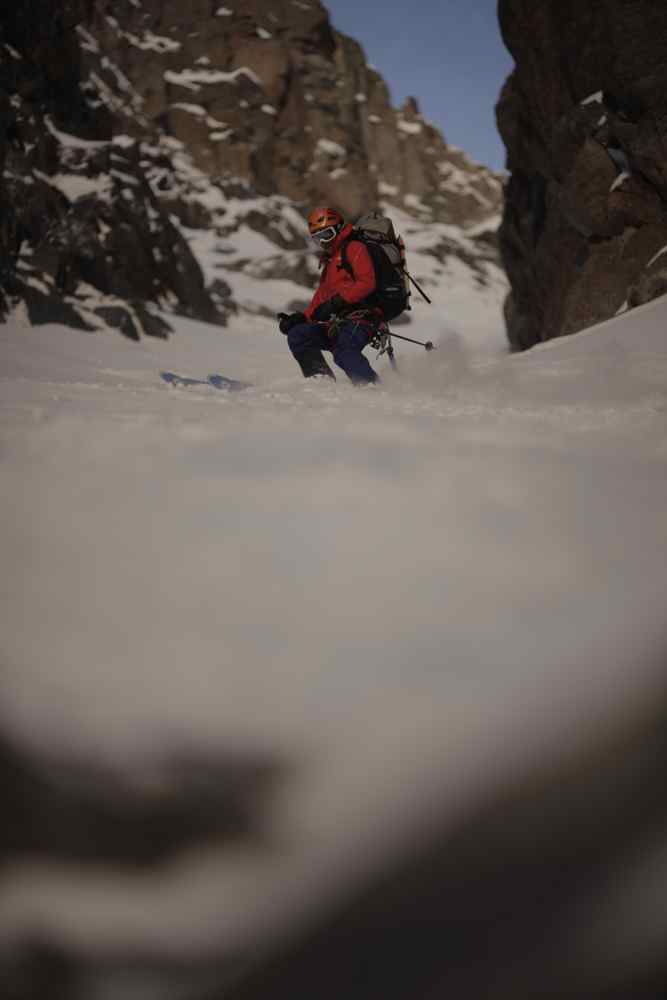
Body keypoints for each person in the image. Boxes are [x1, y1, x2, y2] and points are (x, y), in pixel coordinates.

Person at [277, 207, 381, 384]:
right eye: (318, 238)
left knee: (343, 351)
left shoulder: (354, 248)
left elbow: (367, 282)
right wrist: (302, 318)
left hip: (362, 318)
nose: (323, 242)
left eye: (327, 234)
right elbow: (322, 297)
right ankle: (322, 382)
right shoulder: (331, 260)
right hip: (336, 321)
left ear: (339, 228)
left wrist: (337, 302)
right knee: (298, 335)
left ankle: (373, 389)